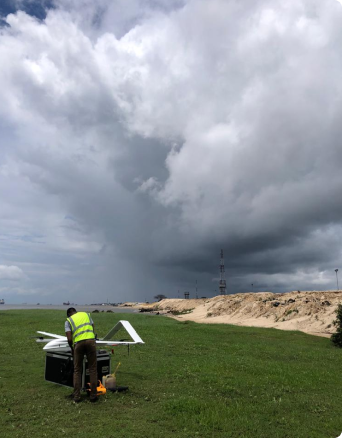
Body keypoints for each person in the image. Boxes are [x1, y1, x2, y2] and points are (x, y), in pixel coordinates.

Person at [65, 307, 98, 403]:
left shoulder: (68, 321)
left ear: (68, 314)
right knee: (92, 369)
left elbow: (69, 339)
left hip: (78, 344)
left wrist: (72, 348)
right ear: (76, 312)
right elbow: (92, 327)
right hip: (90, 341)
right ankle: (93, 396)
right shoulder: (86, 315)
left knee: (77, 370)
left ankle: (77, 396)